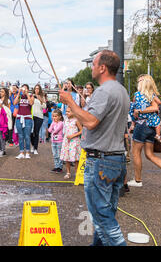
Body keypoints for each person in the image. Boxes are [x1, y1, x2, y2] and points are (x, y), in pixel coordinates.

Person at [59, 50, 129, 246]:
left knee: (102, 216)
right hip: (116, 159)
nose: (91, 68)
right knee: (105, 212)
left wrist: (70, 102)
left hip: (101, 160)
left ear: (102, 67)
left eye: (93, 64)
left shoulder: (104, 91)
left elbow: (90, 122)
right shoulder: (121, 90)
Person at [127, 74, 161, 187]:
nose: (138, 83)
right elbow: (156, 107)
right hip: (151, 127)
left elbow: (154, 108)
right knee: (149, 154)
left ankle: (137, 180)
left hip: (142, 126)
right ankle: (137, 180)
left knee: (136, 153)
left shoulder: (138, 95)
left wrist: (140, 110)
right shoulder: (152, 95)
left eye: (140, 81)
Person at [60, 106, 82, 179]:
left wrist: (73, 135)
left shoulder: (76, 120)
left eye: (69, 111)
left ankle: (77, 173)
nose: (67, 113)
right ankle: (68, 172)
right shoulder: (65, 120)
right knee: (67, 157)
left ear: (73, 112)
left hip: (74, 141)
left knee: (75, 158)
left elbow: (82, 130)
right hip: (66, 141)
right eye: (66, 111)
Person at [13, 84, 34, 159]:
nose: (24, 90)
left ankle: (27, 152)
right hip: (19, 118)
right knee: (20, 136)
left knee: (27, 136)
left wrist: (27, 94)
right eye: (23, 88)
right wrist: (19, 93)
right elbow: (14, 103)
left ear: (28, 89)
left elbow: (31, 103)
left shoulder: (31, 96)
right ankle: (21, 152)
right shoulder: (20, 96)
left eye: (25, 88)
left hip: (28, 119)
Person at [0, 87, 13, 157]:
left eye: (2, 92)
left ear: (5, 93)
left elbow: (8, 111)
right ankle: (0, 149)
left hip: (2, 120)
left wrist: (2, 106)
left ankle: (3, 150)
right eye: (0, 92)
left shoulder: (8, 101)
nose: (1, 93)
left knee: (1, 135)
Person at [30, 84, 46, 155]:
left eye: (38, 89)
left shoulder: (42, 97)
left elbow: (44, 107)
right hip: (31, 116)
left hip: (39, 117)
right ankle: (33, 145)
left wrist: (40, 99)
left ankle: (35, 148)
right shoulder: (31, 96)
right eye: (35, 88)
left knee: (36, 133)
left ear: (39, 90)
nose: (36, 90)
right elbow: (29, 104)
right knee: (30, 133)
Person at [47, 108, 64, 173]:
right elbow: (49, 130)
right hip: (53, 141)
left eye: (55, 116)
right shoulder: (53, 123)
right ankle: (56, 166)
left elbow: (56, 130)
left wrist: (52, 130)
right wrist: (53, 124)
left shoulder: (61, 123)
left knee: (59, 154)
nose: (54, 118)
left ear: (60, 117)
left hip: (59, 141)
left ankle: (60, 167)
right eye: (53, 116)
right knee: (54, 154)